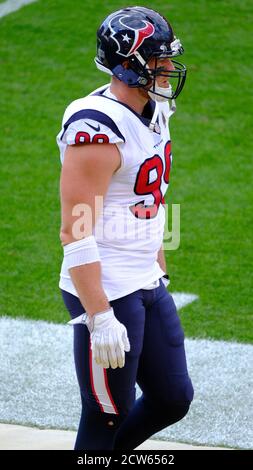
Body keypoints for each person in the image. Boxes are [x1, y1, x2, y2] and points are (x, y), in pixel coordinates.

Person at [57, 6, 194, 450]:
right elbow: (75, 229)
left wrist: (159, 265)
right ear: (129, 65)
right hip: (106, 285)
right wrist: (98, 315)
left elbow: (148, 202)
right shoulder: (96, 127)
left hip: (145, 279)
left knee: (173, 398)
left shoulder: (154, 110)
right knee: (106, 414)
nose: (169, 69)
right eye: (158, 61)